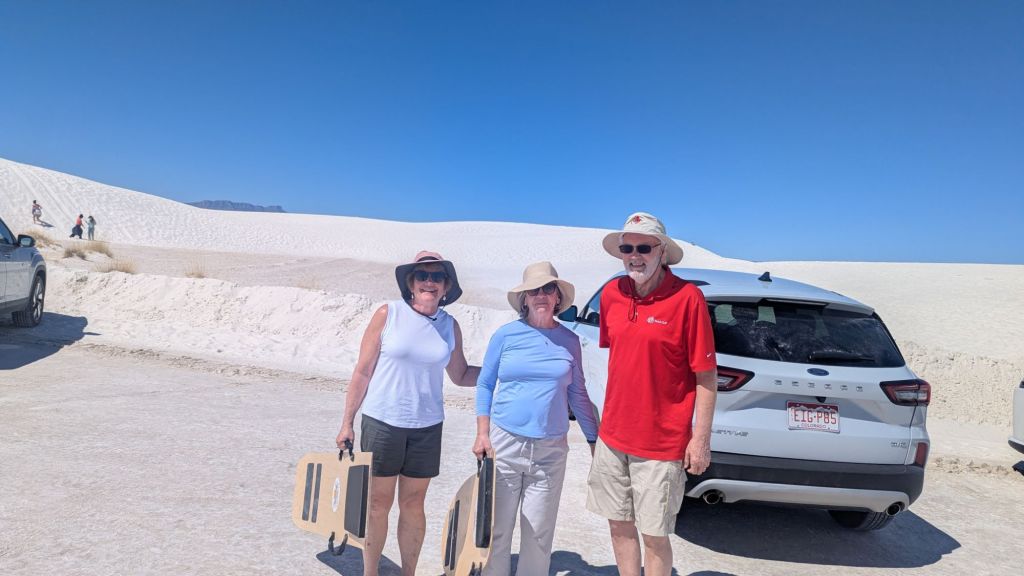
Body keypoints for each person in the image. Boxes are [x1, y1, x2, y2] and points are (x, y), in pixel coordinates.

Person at [586, 212, 718, 576]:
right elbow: (622, 355)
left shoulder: (688, 298)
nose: (634, 256)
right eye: (627, 248)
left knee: (654, 535)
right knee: (618, 524)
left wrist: (700, 440)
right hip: (613, 436)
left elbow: (706, 377)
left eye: (644, 248)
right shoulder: (613, 294)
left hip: (661, 444)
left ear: (662, 251)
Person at [335, 251, 479, 576]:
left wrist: (503, 372)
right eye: (422, 276)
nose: (429, 282)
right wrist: (347, 422)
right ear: (411, 283)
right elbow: (363, 371)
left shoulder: (449, 326)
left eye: (437, 276)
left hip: (427, 427)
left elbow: (460, 374)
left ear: (446, 286)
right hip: (383, 422)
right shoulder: (388, 314)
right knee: (377, 504)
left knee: (413, 505)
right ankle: (370, 572)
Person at [473, 261, 598, 576]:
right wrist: (482, 433)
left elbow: (578, 394)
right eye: (534, 290)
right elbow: (485, 384)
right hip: (504, 444)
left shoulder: (570, 341)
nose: (541, 294)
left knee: (539, 535)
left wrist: (594, 440)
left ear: (558, 297)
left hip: (550, 451)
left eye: (548, 288)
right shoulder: (505, 335)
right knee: (496, 530)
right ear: (524, 299)